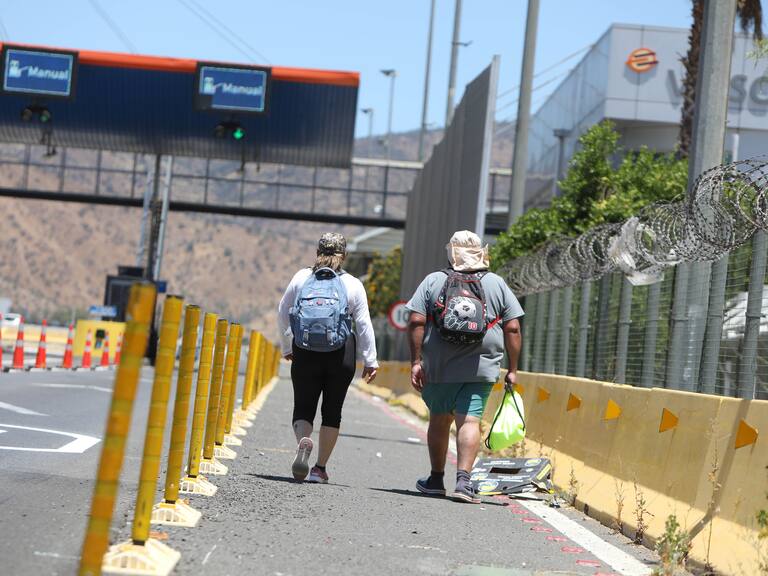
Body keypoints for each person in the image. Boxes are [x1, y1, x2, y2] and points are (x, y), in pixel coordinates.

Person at [406, 230, 523, 503]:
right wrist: (513, 368)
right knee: (468, 420)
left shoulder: (434, 280)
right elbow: (513, 327)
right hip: (481, 366)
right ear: (481, 252)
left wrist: (416, 361)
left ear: (452, 253)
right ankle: (463, 482)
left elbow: (415, 322)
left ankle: (436, 479)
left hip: (439, 366)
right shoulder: (496, 283)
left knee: (439, 420)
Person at [278, 232, 378, 484]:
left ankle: (303, 440)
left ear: (318, 252)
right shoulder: (353, 284)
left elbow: (283, 311)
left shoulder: (302, 277)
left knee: (303, 406)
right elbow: (364, 324)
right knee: (332, 410)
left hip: (305, 349)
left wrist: (287, 345)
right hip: (340, 353)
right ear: (343, 255)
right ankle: (319, 469)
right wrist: (370, 360)